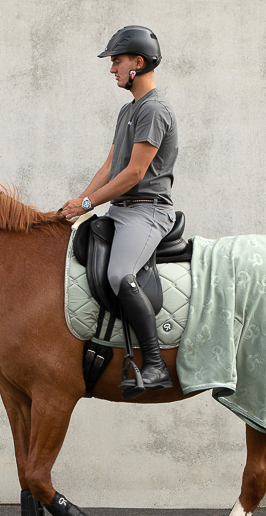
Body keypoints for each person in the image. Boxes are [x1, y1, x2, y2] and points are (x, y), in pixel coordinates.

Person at [61, 25, 178, 397]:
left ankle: (156, 363)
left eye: (117, 61)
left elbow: (134, 172)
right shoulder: (128, 110)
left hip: (147, 212)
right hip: (122, 210)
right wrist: (75, 206)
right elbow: (110, 167)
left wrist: (87, 203)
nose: (112, 69)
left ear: (137, 63)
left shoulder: (154, 109)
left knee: (119, 273)